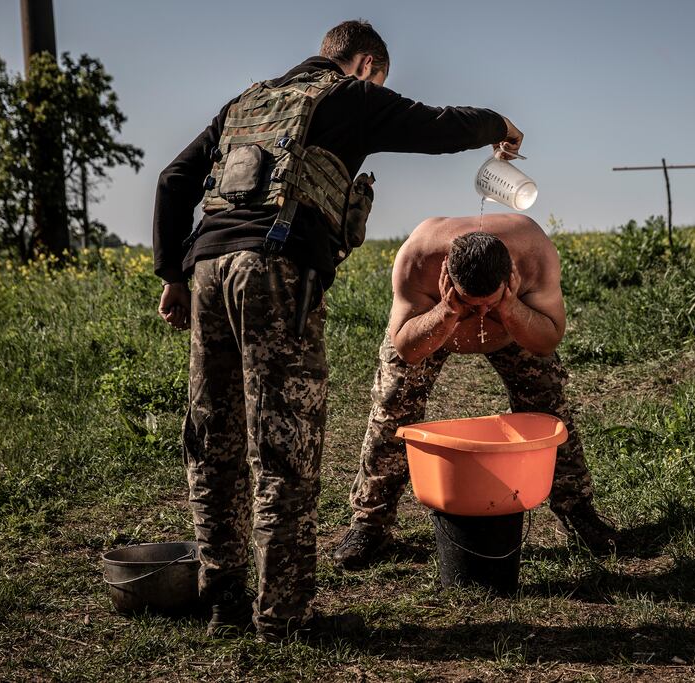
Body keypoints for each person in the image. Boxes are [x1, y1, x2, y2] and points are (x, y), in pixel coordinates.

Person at [151, 20, 523, 642]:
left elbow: (173, 180)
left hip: (210, 269)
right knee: (284, 445)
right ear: (367, 67)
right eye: (381, 79)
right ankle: (282, 617)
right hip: (274, 270)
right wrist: (499, 125)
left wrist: (173, 274)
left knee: (213, 436)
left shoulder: (245, 102)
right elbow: (438, 126)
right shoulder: (348, 95)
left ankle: (221, 600)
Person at [332, 214, 617, 570]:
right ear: (446, 277)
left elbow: (549, 340)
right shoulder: (417, 258)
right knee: (392, 407)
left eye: (488, 302)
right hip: (431, 324)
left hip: (516, 327)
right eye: (471, 302)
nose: (480, 312)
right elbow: (406, 348)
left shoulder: (534, 252)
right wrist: (448, 310)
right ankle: (369, 525)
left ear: (511, 276)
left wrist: (510, 308)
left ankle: (578, 511)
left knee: (549, 405)